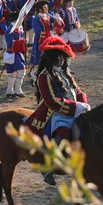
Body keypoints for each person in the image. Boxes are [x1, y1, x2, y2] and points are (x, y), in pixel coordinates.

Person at [25, 35, 90, 185]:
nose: (62, 59)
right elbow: (51, 101)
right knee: (63, 133)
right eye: (59, 57)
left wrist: (83, 103)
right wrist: (75, 107)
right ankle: (48, 166)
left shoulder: (65, 73)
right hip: (57, 114)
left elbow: (77, 90)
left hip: (76, 111)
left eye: (63, 57)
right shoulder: (44, 76)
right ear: (52, 58)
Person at [30, 0, 63, 78]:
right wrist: (49, 33)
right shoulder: (36, 18)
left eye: (46, 6)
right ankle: (35, 74)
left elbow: (56, 23)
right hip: (41, 41)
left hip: (49, 39)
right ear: (40, 9)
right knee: (42, 58)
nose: (46, 8)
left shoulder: (48, 16)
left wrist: (58, 19)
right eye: (44, 7)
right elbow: (38, 32)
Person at [3, 12, 27, 98]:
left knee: (16, 72)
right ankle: (16, 90)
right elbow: (10, 43)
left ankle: (10, 90)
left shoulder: (19, 28)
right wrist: (22, 42)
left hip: (19, 53)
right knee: (20, 71)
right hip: (13, 53)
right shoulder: (10, 29)